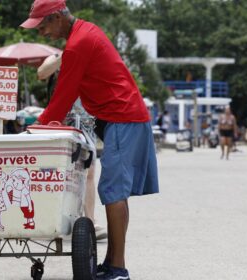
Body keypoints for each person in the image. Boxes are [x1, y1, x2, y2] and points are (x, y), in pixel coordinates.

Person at [20, 1, 159, 279]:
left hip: (123, 117)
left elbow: (64, 96)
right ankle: (112, 262)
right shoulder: (83, 33)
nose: (42, 32)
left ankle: (118, 270)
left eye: (43, 25)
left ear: (57, 17)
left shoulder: (79, 42)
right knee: (115, 192)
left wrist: (34, 130)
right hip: (122, 117)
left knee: (113, 191)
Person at [37, 53, 107, 240]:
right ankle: (53, 218)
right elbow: (42, 73)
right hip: (60, 121)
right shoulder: (56, 56)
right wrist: (65, 55)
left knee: (89, 170)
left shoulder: (90, 59)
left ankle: (90, 220)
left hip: (85, 121)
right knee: (57, 170)